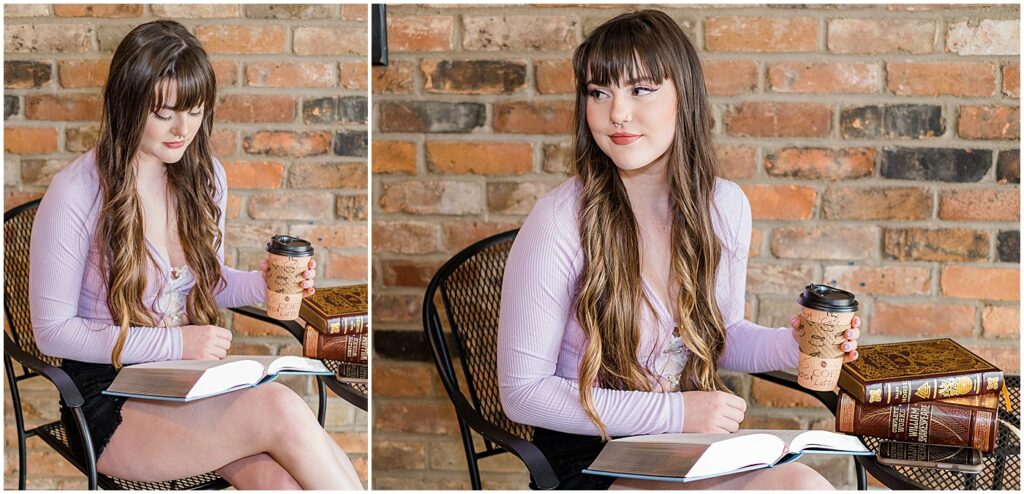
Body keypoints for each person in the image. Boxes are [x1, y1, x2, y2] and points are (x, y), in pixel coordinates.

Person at [497, 10, 861, 491]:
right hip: (594, 454)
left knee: (803, 484)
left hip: (684, 445)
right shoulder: (561, 221)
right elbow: (523, 393)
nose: (618, 113)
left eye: (640, 89)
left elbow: (720, 333)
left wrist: (791, 346)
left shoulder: (723, 206)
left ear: (682, 96)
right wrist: (675, 411)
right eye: (598, 92)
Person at [29, 20, 362, 490]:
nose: (183, 130)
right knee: (280, 407)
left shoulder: (204, 177)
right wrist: (176, 344)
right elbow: (52, 334)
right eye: (164, 113)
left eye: (196, 110)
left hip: (185, 381)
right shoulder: (75, 194)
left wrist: (260, 284)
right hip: (106, 401)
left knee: (281, 482)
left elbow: (204, 283)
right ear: (127, 103)